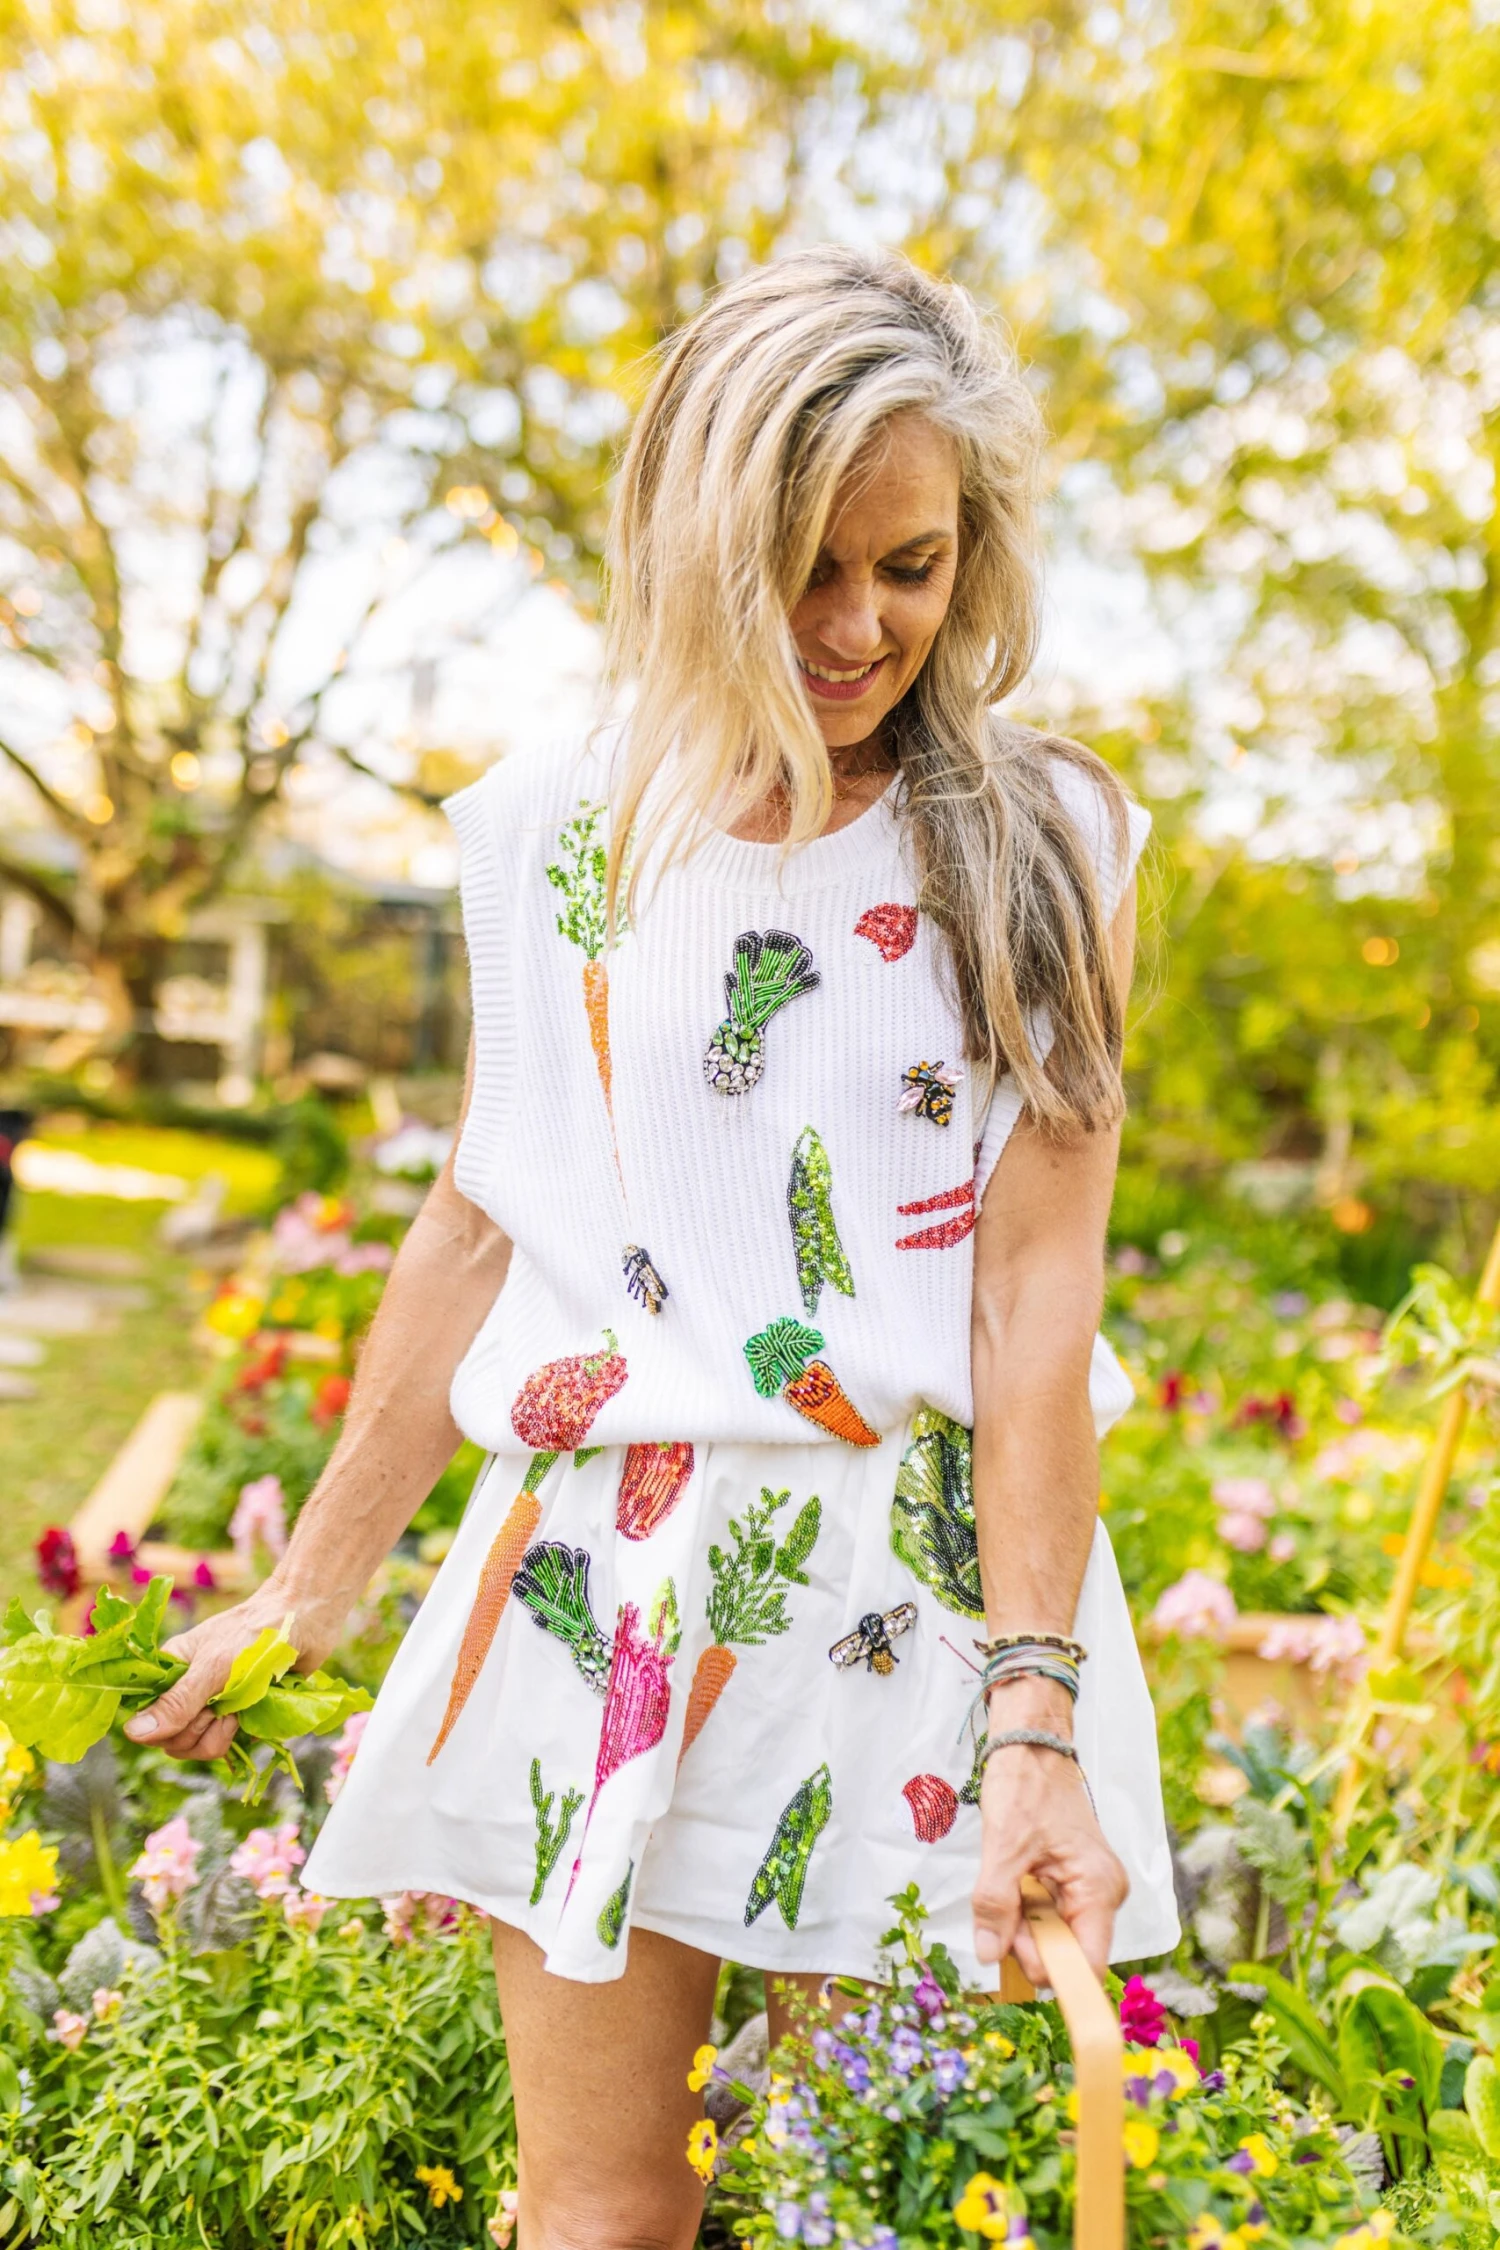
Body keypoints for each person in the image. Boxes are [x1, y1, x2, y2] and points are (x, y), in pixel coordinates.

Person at [126, 247, 1178, 2247]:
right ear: (694, 548)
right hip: (606, 1579)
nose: (858, 626)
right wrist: (310, 1585)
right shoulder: (556, 827)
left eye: (912, 565)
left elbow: (1036, 1289)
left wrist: (1033, 1709)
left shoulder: (1046, 840)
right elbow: (482, 1211)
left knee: (860, 2203)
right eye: (802, 567)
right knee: (602, 2212)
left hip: (923, 1593)